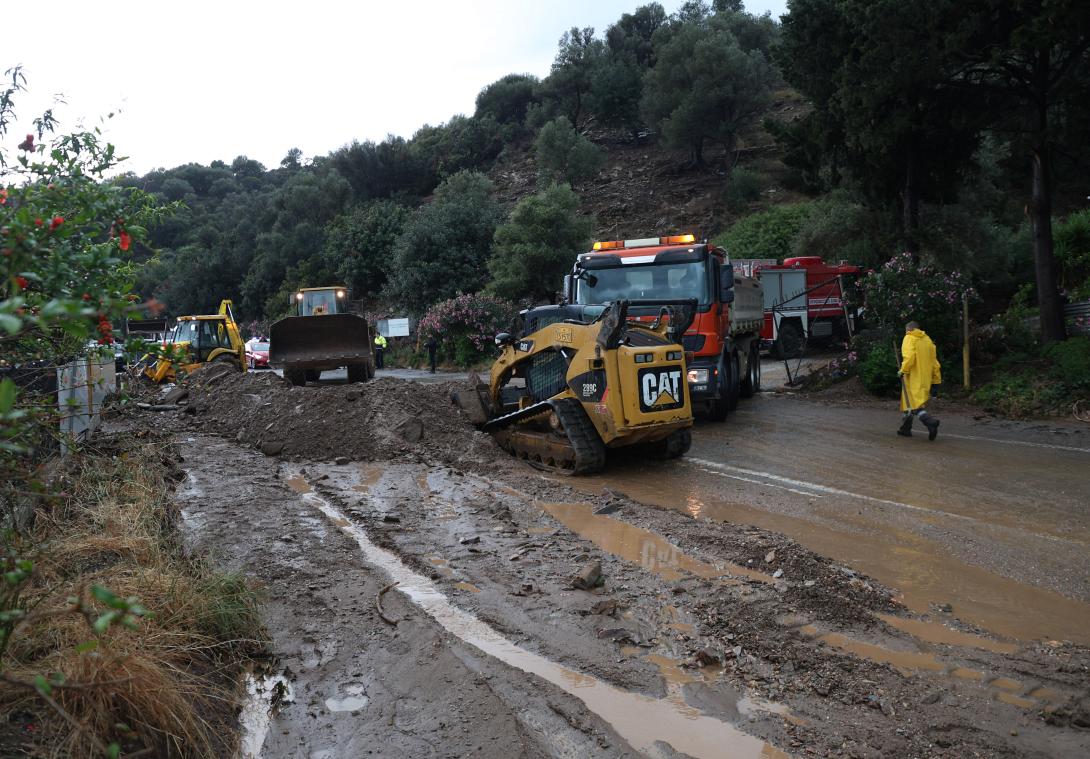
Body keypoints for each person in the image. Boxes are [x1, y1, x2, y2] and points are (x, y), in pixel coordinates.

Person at [897, 321, 942, 440]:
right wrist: (936, 381)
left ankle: (930, 422)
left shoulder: (909, 337)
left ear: (909, 329)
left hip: (913, 377)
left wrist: (903, 370)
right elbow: (935, 363)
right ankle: (905, 429)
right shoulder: (928, 340)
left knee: (913, 404)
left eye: (906, 330)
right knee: (911, 403)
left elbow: (909, 357)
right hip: (926, 378)